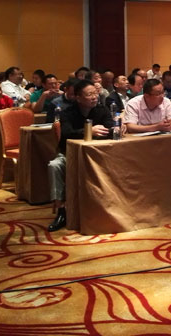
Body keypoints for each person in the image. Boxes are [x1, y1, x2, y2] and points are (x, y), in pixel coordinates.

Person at [47, 80, 114, 232]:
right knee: (54, 165)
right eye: (89, 94)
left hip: (98, 156)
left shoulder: (102, 110)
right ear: (78, 97)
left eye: (95, 93)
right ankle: (62, 210)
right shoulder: (67, 112)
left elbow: (111, 129)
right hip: (70, 154)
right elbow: (66, 134)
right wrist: (89, 130)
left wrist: (114, 129)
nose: (94, 97)